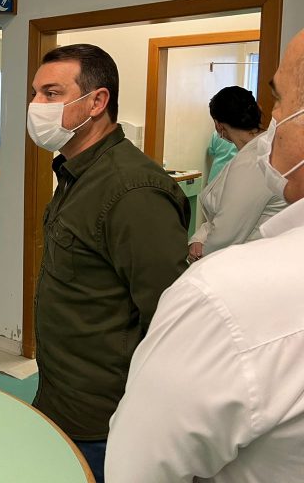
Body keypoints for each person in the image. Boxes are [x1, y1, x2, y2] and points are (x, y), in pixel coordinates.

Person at [106, 29, 304, 482]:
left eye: (281, 100)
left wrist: (200, 247)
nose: (272, 117)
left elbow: (140, 467)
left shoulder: (218, 299)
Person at [26, 44, 190, 482]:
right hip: (60, 394)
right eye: (36, 94)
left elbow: (172, 321)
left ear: (96, 102)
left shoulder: (132, 192)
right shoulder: (77, 172)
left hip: (104, 418)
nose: (36, 106)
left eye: (51, 93)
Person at [188, 86, 286, 262]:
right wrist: (199, 238)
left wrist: (199, 262)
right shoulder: (255, 150)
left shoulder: (255, 159)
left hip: (252, 259)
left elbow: (227, 232)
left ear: (219, 125)